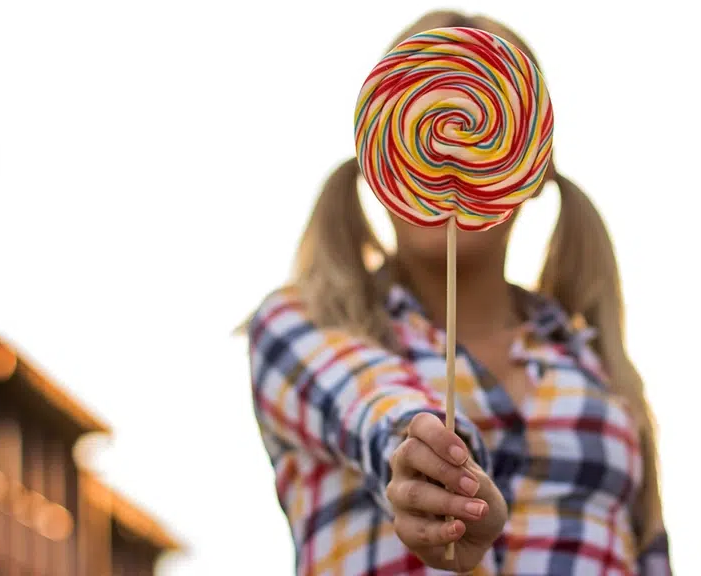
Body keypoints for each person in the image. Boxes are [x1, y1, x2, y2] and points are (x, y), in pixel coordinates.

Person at [247, 10, 671, 575]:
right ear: (377, 154)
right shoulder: (304, 321)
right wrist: (428, 462)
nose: (449, 148)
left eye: (481, 124)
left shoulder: (598, 367)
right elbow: (371, 401)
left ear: (532, 163)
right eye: (423, 120)